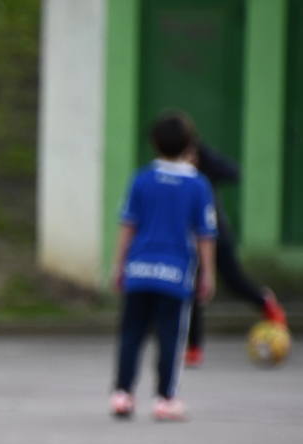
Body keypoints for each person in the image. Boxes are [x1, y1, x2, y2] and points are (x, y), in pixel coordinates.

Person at [109, 110, 217, 421]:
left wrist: (119, 266)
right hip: (175, 272)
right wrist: (207, 274)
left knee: (131, 333)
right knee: (170, 336)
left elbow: (128, 225)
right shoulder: (198, 186)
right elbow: (205, 234)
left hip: (139, 268)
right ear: (188, 145)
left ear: (154, 143)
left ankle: (122, 394)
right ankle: (165, 399)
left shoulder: (141, 179)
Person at [184, 142, 288, 367]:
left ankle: (265, 301)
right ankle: (193, 348)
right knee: (192, 293)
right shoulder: (174, 173)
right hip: (192, 240)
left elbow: (234, 172)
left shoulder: (205, 166)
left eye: (191, 154)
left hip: (217, 237)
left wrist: (210, 165)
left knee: (234, 282)